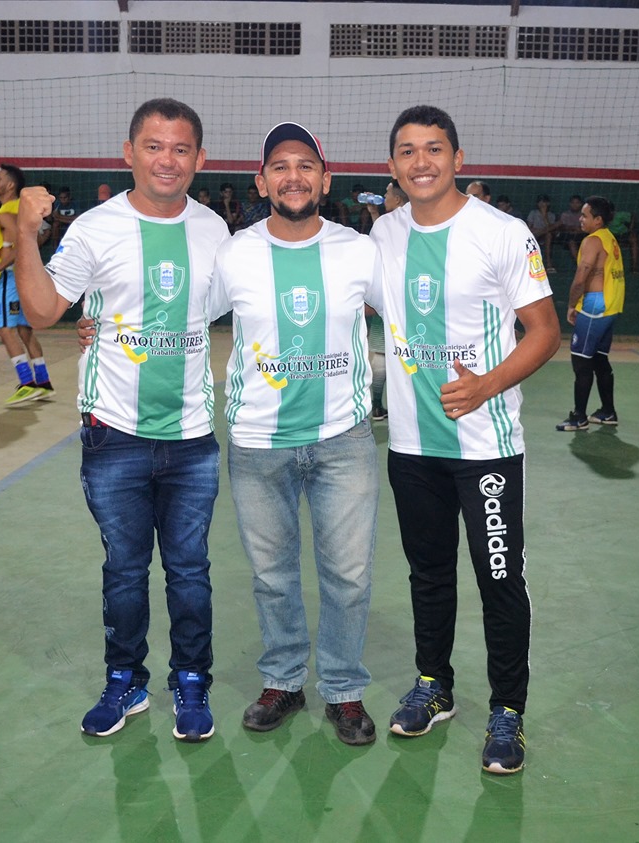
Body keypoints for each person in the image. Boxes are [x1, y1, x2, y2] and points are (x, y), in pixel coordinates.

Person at [14, 98, 228, 743]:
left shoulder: (216, 231)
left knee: (190, 570)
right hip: (113, 433)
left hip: (191, 436)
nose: (168, 159)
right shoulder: (95, 230)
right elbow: (47, 308)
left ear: (199, 159)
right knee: (125, 570)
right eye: (155, 146)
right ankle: (124, 680)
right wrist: (23, 231)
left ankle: (191, 683)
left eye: (181, 148)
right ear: (129, 152)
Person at [369, 105, 560, 775]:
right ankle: (434, 684)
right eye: (407, 150)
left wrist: (486, 385)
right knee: (428, 574)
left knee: (499, 577)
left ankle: (508, 711)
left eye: (434, 148)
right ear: (392, 163)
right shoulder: (382, 235)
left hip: (485, 446)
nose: (421, 161)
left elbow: (543, 330)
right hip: (412, 447)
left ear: (457, 157)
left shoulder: (502, 233)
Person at [208, 122, 382, 746]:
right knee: (272, 574)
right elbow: (178, 315)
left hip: (344, 440)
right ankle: (283, 679)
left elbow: (418, 315)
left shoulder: (359, 250)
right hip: (258, 442)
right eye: (280, 166)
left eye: (305, 164)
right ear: (262, 181)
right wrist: (101, 330)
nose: (293, 176)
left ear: (325, 179)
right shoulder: (234, 252)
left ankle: (343, 689)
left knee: (350, 574)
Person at [0, 163, 55, 404]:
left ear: (10, 185)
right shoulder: (19, 208)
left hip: (10, 278)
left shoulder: (6, 212)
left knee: (5, 329)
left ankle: (26, 383)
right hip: (25, 277)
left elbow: (19, 245)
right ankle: (43, 383)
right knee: (24, 330)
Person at [555, 195, 625, 431]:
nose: (580, 218)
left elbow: (580, 278)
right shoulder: (610, 238)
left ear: (598, 219)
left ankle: (579, 417)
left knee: (581, 363)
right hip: (611, 306)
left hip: (595, 307)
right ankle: (607, 412)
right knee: (599, 360)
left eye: (585, 215)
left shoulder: (592, 241)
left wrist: (572, 305)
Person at [364, 179, 410, 421]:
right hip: (397, 298)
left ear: (398, 200)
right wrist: (375, 214)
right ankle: (384, 406)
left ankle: (378, 404)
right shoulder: (389, 223)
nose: (384, 196)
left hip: (391, 296)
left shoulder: (395, 223)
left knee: (383, 358)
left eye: (387, 193)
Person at [526, 194, 560, 273]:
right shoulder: (533, 213)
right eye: (540, 202)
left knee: (548, 234)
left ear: (548, 204)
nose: (542, 204)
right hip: (533, 235)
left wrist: (544, 215)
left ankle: (549, 264)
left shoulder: (551, 215)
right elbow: (528, 227)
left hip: (545, 236)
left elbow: (550, 228)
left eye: (544, 202)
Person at [608, 207, 639, 274]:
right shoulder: (601, 219)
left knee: (633, 239)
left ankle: (635, 267)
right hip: (611, 236)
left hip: (624, 234)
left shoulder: (619, 215)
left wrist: (631, 228)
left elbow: (633, 216)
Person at [555, 194, 586, 262]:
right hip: (567, 237)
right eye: (573, 203)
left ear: (581, 204)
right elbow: (561, 227)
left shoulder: (584, 215)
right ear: (570, 204)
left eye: (577, 203)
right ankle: (579, 264)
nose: (575, 205)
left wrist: (579, 230)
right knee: (571, 241)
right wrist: (570, 228)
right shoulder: (565, 214)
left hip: (581, 236)